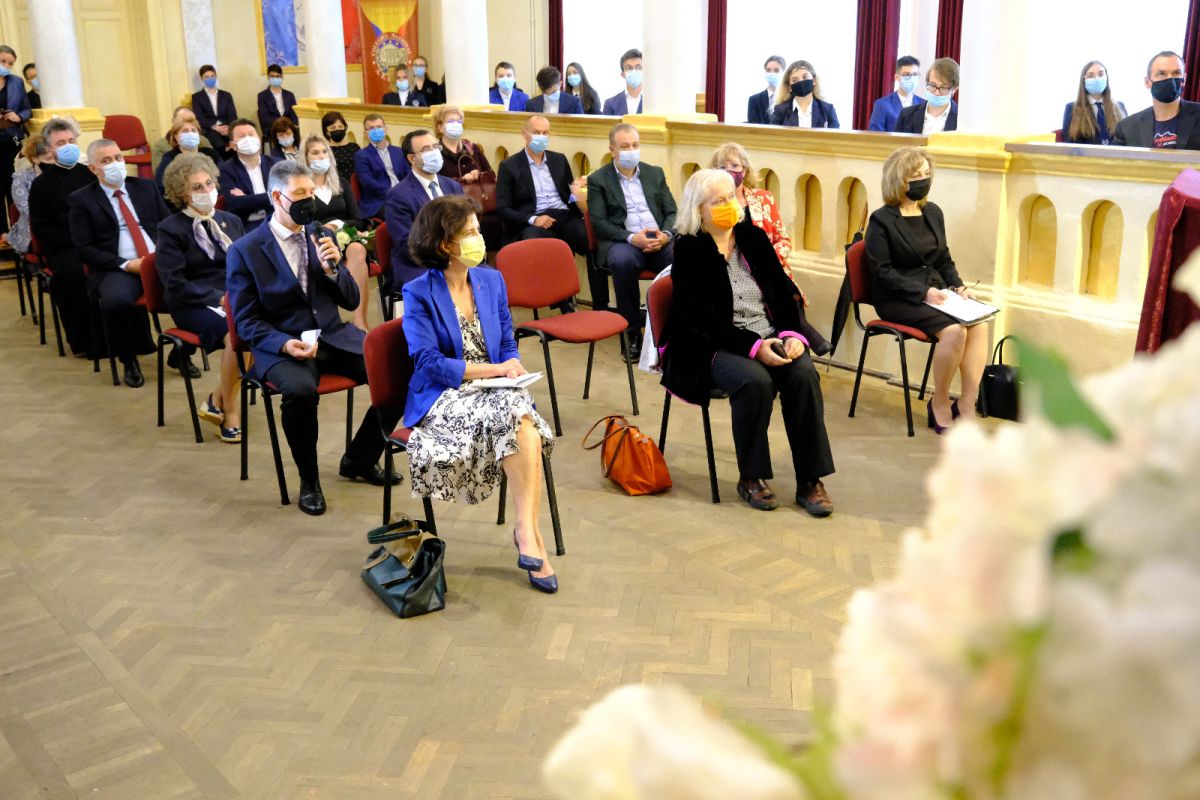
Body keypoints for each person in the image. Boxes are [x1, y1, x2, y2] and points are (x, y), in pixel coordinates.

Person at [226, 160, 402, 516]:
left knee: (400, 373)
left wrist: (334, 270)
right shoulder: (245, 250)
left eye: (311, 192)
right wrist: (282, 343)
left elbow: (350, 300)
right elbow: (245, 321)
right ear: (277, 197)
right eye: (300, 193)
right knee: (300, 392)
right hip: (282, 344)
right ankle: (310, 481)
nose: (309, 200)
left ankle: (359, 457)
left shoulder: (320, 234)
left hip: (332, 335)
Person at [401, 195, 559, 593]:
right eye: (469, 232)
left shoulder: (491, 280)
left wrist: (512, 363)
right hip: (445, 394)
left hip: (496, 389)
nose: (479, 238)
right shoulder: (417, 292)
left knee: (521, 419)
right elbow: (428, 362)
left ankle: (527, 530)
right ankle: (532, 539)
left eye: (477, 230)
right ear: (444, 244)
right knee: (522, 421)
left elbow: (505, 341)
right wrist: (496, 371)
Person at [660, 168, 835, 516]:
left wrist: (791, 334)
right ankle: (751, 477)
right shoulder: (690, 248)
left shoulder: (752, 238)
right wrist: (754, 348)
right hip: (712, 344)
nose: (729, 205)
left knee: (803, 375)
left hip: (768, 332)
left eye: (730, 198)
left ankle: (810, 479)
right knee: (755, 381)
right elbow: (701, 319)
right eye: (718, 201)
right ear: (699, 210)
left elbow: (783, 293)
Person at [865, 146, 987, 434]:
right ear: (899, 180)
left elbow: (943, 259)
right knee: (956, 331)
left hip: (936, 291)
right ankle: (940, 401)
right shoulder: (882, 220)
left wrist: (959, 286)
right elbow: (882, 273)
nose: (923, 179)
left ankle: (967, 403)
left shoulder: (932, 212)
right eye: (916, 175)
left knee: (979, 323)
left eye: (926, 174)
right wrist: (923, 293)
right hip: (897, 297)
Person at [709, 141, 830, 355]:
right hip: (734, 270)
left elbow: (783, 239)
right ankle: (806, 337)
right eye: (722, 167)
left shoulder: (763, 199)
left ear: (745, 170)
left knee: (786, 291)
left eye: (735, 166)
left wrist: (766, 260)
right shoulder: (714, 204)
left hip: (771, 266)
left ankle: (793, 340)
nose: (729, 172)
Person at [156, 153, 246, 442]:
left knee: (270, 323)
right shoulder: (170, 229)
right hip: (194, 302)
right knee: (238, 334)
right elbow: (174, 284)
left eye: (209, 183)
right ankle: (231, 411)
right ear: (183, 194)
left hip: (233, 296)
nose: (207, 191)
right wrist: (219, 298)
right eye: (197, 187)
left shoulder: (231, 220)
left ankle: (216, 397)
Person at [68, 139, 168, 388]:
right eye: (106, 161)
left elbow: (168, 225)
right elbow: (84, 249)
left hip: (158, 262)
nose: (115, 164)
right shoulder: (82, 200)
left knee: (192, 291)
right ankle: (128, 359)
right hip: (117, 267)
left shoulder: (145, 187)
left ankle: (183, 352)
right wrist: (125, 264)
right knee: (116, 302)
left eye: (118, 158)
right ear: (93, 169)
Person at [585, 123, 675, 361]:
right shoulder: (598, 180)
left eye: (635, 145)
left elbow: (672, 211)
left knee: (683, 258)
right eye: (625, 146)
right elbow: (598, 222)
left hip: (658, 239)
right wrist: (632, 238)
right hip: (623, 241)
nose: (631, 150)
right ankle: (632, 335)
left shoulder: (655, 173)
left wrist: (666, 235)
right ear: (612, 149)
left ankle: (674, 332)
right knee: (622, 262)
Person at [28, 117, 95, 357]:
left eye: (71, 141)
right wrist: (76, 241)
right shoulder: (41, 185)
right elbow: (41, 227)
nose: (68, 146)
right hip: (65, 248)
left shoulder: (91, 174)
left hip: (96, 242)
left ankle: (128, 338)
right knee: (74, 275)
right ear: (50, 149)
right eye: (60, 143)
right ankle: (86, 342)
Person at [299, 133, 371, 331]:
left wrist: (336, 225)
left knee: (357, 249)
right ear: (305, 158)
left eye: (324, 152)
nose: (321, 156)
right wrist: (324, 229)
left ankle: (359, 321)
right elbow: (302, 222)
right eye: (315, 153)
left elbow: (358, 220)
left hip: (345, 238)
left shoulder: (341, 183)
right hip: (316, 241)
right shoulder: (302, 188)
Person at [495, 115, 588, 257]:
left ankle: (595, 271)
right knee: (533, 242)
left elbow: (569, 197)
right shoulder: (509, 166)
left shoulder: (559, 159)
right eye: (536, 132)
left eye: (545, 133)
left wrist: (576, 191)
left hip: (564, 214)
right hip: (534, 217)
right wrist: (533, 220)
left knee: (588, 236)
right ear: (524, 134)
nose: (541, 137)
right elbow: (503, 209)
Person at [384, 128, 465, 288]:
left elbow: (467, 224)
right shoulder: (398, 195)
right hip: (420, 263)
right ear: (412, 158)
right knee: (444, 285)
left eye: (435, 147)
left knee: (489, 277)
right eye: (426, 149)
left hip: (457, 256)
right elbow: (408, 244)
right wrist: (446, 258)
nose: (434, 152)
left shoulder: (452, 186)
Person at [435, 106, 504, 253]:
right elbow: (437, 182)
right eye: (451, 121)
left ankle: (492, 260)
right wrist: (461, 179)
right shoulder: (436, 152)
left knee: (496, 222)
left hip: (481, 203)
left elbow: (490, 172)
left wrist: (477, 173)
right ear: (440, 127)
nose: (456, 125)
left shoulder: (471, 148)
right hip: (453, 205)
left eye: (459, 121)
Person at [1114, 51, 1200, 150]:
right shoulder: (1127, 127)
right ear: (1147, 82)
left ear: (1184, 79)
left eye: (1176, 73)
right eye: (1162, 74)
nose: (1170, 79)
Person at [218, 119, 278, 231]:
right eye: (242, 136)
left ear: (258, 138)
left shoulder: (276, 164)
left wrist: (246, 198)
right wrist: (272, 197)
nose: (248, 139)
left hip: (277, 221)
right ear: (233, 145)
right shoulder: (225, 169)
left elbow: (286, 196)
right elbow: (236, 203)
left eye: (251, 134)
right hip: (246, 226)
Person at [0, 45, 33, 232]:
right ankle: (1, 233)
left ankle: (18, 231)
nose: (6, 66)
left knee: (14, 185)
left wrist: (18, 116)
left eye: (10, 63)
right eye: (3, 61)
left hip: (11, 140)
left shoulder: (16, 82)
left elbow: (27, 110)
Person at [352, 114, 410, 219]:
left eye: (379, 127)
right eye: (371, 128)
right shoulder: (361, 155)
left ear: (385, 129)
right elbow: (367, 181)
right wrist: (393, 193)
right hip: (379, 201)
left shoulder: (399, 152)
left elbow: (409, 174)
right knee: (401, 211)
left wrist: (407, 190)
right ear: (365, 134)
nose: (376, 130)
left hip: (404, 193)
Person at [4, 135, 52, 256]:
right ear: (34, 158)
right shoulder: (21, 179)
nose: (52, 159)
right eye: (46, 156)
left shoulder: (59, 175)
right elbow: (27, 209)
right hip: (32, 229)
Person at [1062, 61, 1127, 145]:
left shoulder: (1120, 106)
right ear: (1083, 80)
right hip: (1086, 153)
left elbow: (1126, 139)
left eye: (1101, 74)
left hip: (1115, 153)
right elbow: (1069, 143)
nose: (1097, 78)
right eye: (1090, 76)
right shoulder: (1071, 108)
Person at [155, 118, 219, 193]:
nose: (190, 134)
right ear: (176, 136)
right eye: (185, 131)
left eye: (193, 130)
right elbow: (161, 184)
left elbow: (221, 176)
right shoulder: (170, 157)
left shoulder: (210, 154)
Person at [895, 57, 958, 134]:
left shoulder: (961, 118)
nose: (937, 93)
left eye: (943, 88)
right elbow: (895, 141)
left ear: (954, 89)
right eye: (932, 85)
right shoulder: (906, 115)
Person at [769, 60, 839, 128]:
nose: (801, 81)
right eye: (794, 80)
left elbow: (835, 134)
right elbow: (772, 135)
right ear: (790, 87)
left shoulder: (828, 110)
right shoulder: (780, 111)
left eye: (805, 77)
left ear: (814, 81)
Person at [868, 56, 926, 132]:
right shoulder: (882, 105)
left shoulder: (924, 104)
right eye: (906, 75)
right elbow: (875, 135)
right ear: (897, 77)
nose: (911, 78)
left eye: (915, 74)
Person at [191, 64, 237, 154]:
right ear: (202, 79)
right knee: (219, 144)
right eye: (207, 77)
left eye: (212, 76)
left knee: (239, 141)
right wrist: (215, 127)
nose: (210, 79)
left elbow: (232, 115)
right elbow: (199, 118)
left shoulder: (226, 95)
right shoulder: (197, 97)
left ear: (216, 76)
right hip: (209, 129)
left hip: (227, 127)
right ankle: (222, 162)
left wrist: (228, 128)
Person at [152, 107, 214, 172]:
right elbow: (160, 173)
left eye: (191, 120)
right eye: (182, 120)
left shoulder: (204, 141)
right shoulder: (161, 146)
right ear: (173, 121)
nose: (187, 123)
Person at [256, 63, 298, 138]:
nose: (275, 78)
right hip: (272, 129)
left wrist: (290, 126)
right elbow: (264, 118)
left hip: (289, 129)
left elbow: (294, 115)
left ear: (282, 77)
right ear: (268, 77)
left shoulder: (290, 95)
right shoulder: (262, 96)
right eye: (272, 76)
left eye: (277, 76)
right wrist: (283, 124)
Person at [602, 49, 645, 116]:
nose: (634, 71)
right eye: (629, 68)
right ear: (623, 74)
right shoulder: (610, 104)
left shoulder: (654, 103)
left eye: (638, 67)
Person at [322, 111, 359, 181]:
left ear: (345, 128)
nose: (337, 129)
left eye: (340, 126)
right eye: (333, 128)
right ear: (326, 131)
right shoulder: (324, 150)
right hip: (334, 184)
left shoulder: (354, 147)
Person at [748, 55, 786, 124]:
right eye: (768, 70)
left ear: (783, 73)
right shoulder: (754, 100)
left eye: (776, 70)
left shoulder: (790, 99)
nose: (772, 73)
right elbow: (752, 126)